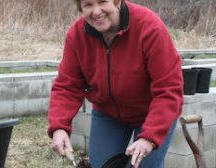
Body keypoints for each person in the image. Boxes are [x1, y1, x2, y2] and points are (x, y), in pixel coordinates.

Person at [47, 0, 183, 167]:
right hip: (108, 114)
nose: (96, 11)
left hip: (152, 113)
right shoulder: (77, 35)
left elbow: (168, 89)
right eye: (88, 5)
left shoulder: (149, 27)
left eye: (103, 2)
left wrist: (149, 137)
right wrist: (59, 127)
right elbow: (67, 86)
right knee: (102, 165)